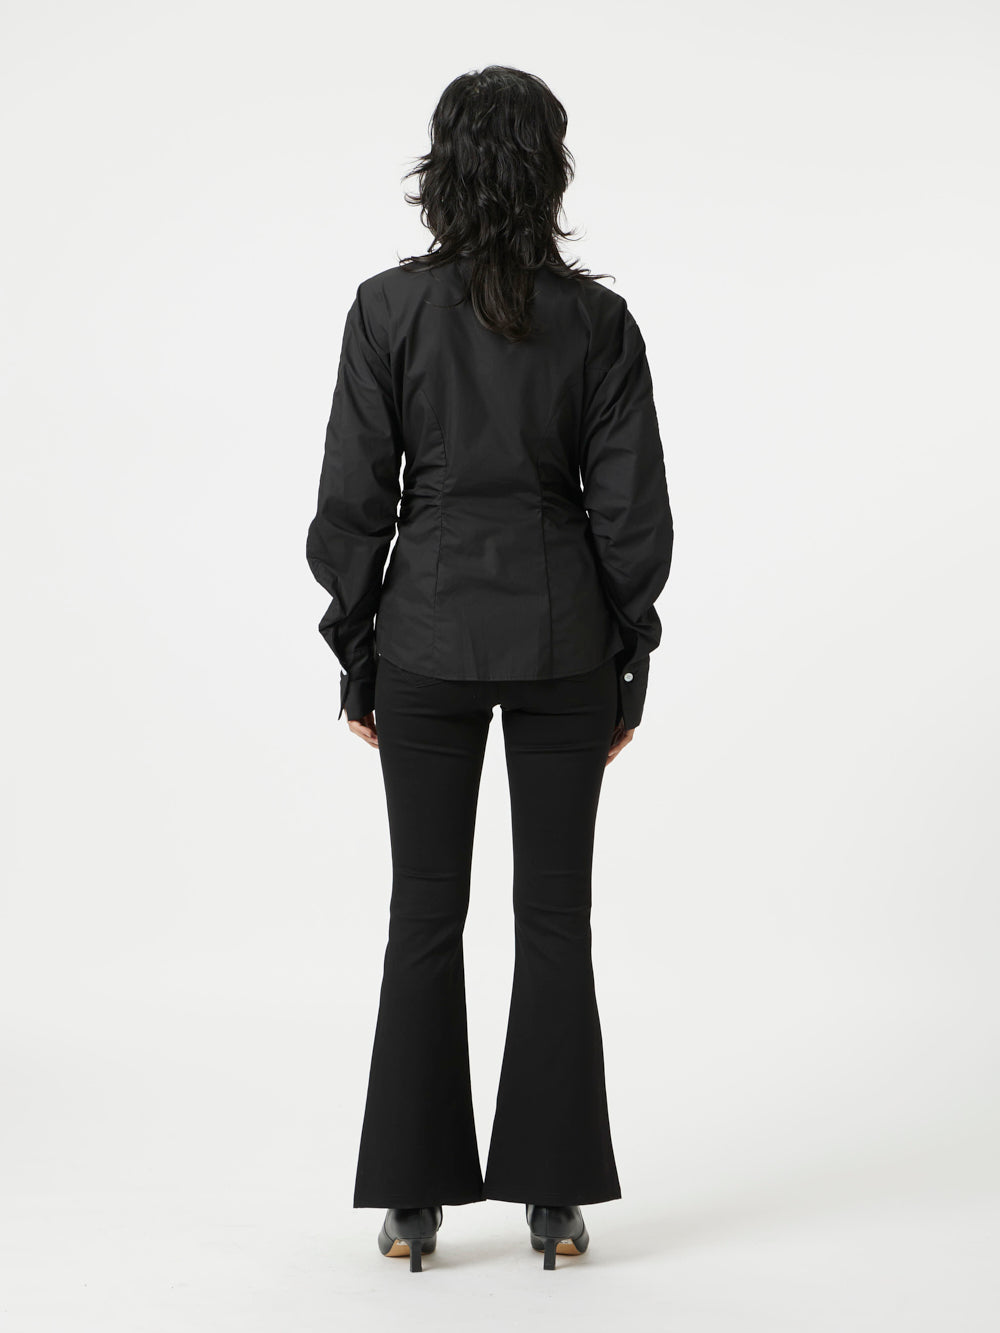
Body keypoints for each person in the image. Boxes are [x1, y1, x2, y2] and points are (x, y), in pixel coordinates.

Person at [306, 65, 674, 1273]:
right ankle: (554, 1199)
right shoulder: (598, 325)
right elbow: (630, 515)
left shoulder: (385, 311)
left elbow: (354, 498)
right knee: (554, 916)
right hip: (565, 640)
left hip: (424, 635)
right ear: (549, 169)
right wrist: (629, 654)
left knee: (425, 912)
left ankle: (410, 1201)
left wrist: (357, 646)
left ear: (443, 168)